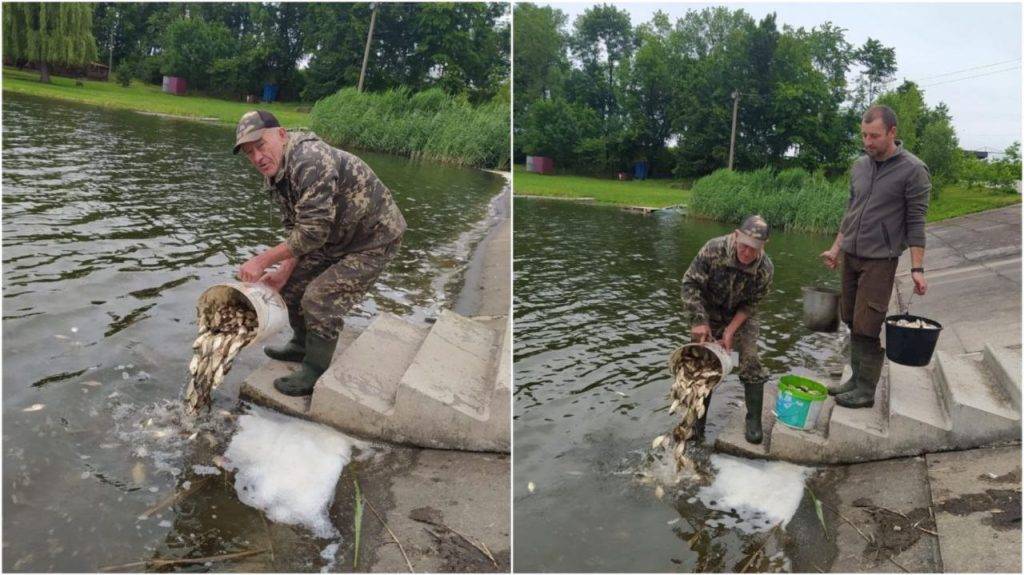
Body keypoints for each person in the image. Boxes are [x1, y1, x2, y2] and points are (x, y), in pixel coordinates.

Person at [233, 110, 406, 396]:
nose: (257, 158)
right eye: (249, 153)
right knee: (289, 288)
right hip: (334, 237)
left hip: (372, 239)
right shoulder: (276, 174)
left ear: (281, 134)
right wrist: (282, 272)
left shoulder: (310, 160)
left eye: (261, 145)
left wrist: (261, 260)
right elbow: (298, 229)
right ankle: (301, 345)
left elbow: (312, 232)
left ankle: (315, 370)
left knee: (320, 299)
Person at [820, 104, 930, 408]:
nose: (867, 142)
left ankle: (866, 390)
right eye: (864, 136)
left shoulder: (913, 170)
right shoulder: (859, 166)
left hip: (881, 259)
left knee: (868, 322)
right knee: (851, 318)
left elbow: (916, 222)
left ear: (892, 132)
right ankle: (854, 380)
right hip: (851, 255)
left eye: (874, 136)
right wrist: (835, 248)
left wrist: (917, 268)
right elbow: (850, 213)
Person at [680, 215, 774, 444]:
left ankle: (753, 420)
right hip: (707, 311)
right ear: (735, 235)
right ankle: (696, 424)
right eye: (743, 245)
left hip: (740, 316)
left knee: (751, 361)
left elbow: (751, 305)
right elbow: (690, 284)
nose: (747, 253)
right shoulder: (713, 249)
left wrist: (730, 332)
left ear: (764, 246)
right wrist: (698, 321)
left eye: (754, 249)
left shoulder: (765, 269)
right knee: (703, 363)